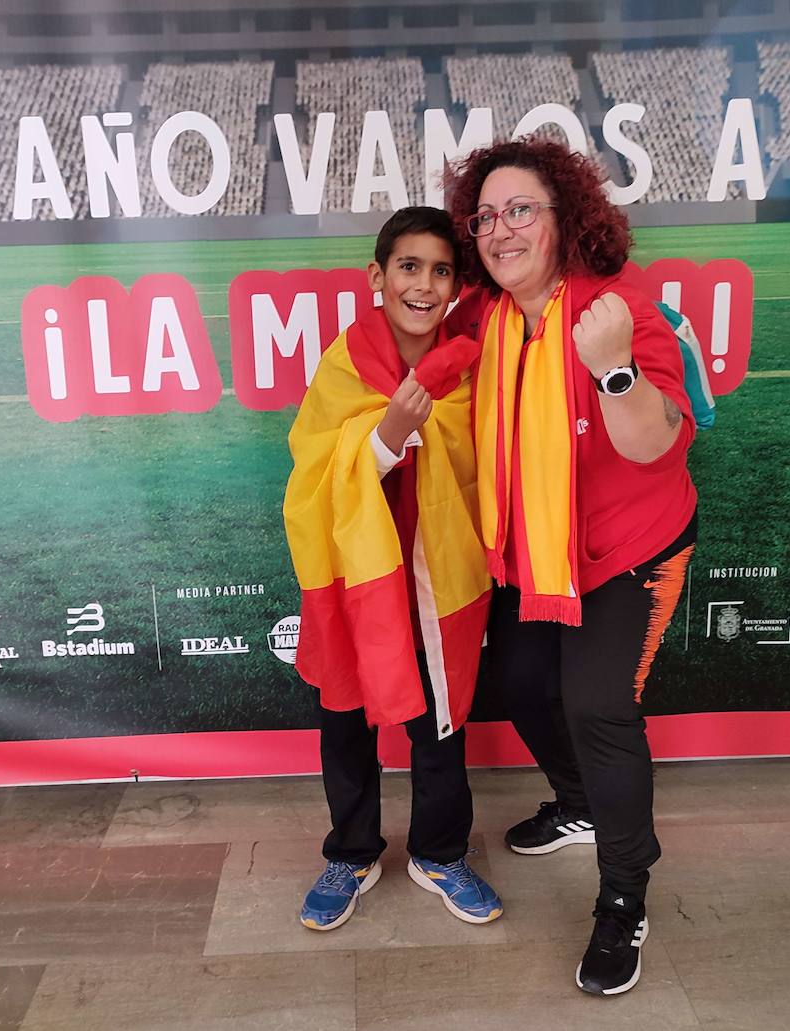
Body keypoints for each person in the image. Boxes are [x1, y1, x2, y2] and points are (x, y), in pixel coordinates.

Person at [443, 138, 698, 996]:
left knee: (598, 705)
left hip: (630, 551)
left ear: (566, 217)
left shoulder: (616, 310)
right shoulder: (490, 314)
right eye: (486, 216)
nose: (501, 229)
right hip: (534, 554)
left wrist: (614, 370)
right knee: (518, 686)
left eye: (521, 210)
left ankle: (625, 896)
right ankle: (580, 801)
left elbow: (654, 444)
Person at [283, 206, 502, 932]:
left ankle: (440, 850)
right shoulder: (344, 362)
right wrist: (384, 437)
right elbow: (311, 471)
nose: (425, 284)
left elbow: (479, 468)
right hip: (356, 583)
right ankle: (351, 850)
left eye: (442, 271)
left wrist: (426, 428)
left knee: (440, 723)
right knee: (344, 717)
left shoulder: (467, 366)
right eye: (409, 266)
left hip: (436, 584)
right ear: (377, 277)